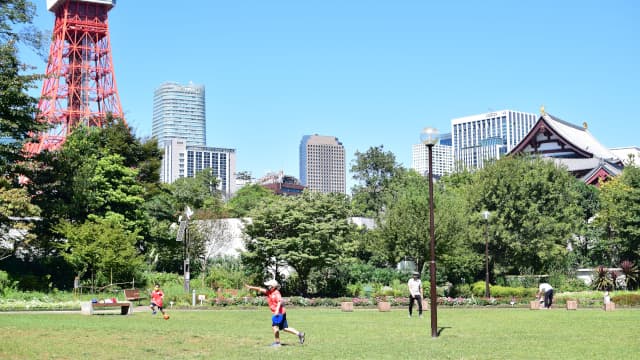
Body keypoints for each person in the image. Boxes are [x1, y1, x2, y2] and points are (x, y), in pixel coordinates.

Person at [245, 280, 305, 347]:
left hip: (279, 313)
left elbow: (280, 301)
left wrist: (276, 311)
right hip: (282, 312)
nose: (267, 287)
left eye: (269, 285)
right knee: (285, 328)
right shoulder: (269, 292)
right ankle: (300, 334)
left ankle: (277, 343)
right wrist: (250, 287)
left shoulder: (276, 293)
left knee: (275, 327)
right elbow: (259, 289)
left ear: (273, 286)